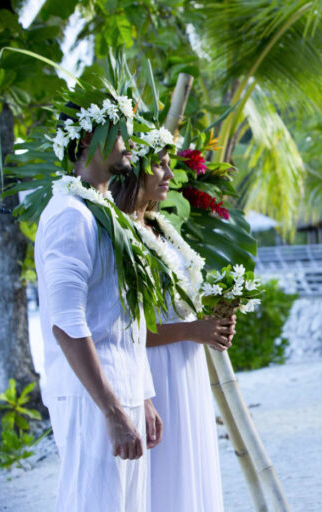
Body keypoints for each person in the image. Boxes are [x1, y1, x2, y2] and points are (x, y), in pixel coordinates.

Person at [35, 95, 162, 512]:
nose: (129, 143)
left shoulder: (104, 213)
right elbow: (66, 322)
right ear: (91, 139)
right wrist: (110, 411)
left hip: (122, 389)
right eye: (121, 132)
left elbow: (124, 315)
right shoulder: (70, 215)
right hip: (91, 398)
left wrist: (141, 395)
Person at [111, 146, 234, 512]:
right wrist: (192, 330)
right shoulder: (121, 233)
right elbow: (122, 326)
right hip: (155, 371)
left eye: (169, 166)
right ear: (135, 171)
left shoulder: (162, 226)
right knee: (167, 470)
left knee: (193, 461)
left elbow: (182, 303)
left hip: (187, 365)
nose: (169, 175)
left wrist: (216, 319)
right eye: (159, 166)